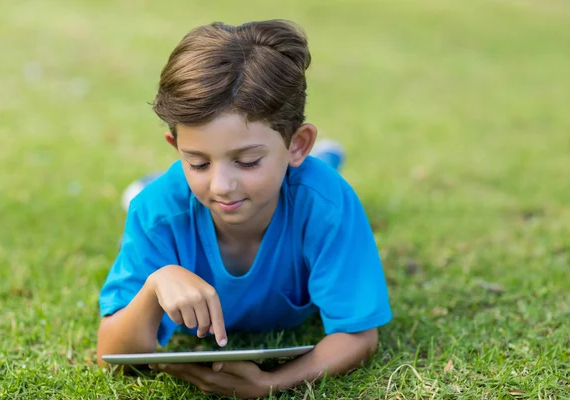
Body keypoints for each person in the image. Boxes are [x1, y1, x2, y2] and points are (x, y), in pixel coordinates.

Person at [97, 19, 392, 398]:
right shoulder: (157, 212)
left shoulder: (327, 204)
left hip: (304, 178)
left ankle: (323, 158)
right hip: (176, 194)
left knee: (312, 178)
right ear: (175, 148)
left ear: (297, 144)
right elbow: (110, 354)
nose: (221, 186)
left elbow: (359, 336)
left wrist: (271, 383)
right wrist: (155, 287)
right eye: (198, 163)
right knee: (159, 193)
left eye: (248, 160)